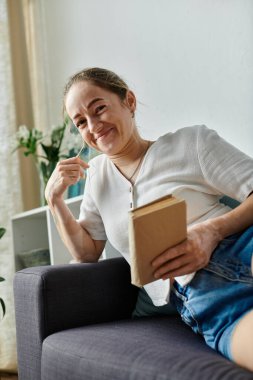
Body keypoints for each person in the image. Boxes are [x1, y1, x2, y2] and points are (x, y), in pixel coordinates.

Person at [45, 67, 253, 372]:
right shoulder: (97, 178)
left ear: (128, 101)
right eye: (81, 122)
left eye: (98, 108)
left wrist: (210, 232)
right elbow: (87, 252)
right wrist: (54, 201)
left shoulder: (191, 142)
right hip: (208, 296)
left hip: (242, 248)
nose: (93, 125)